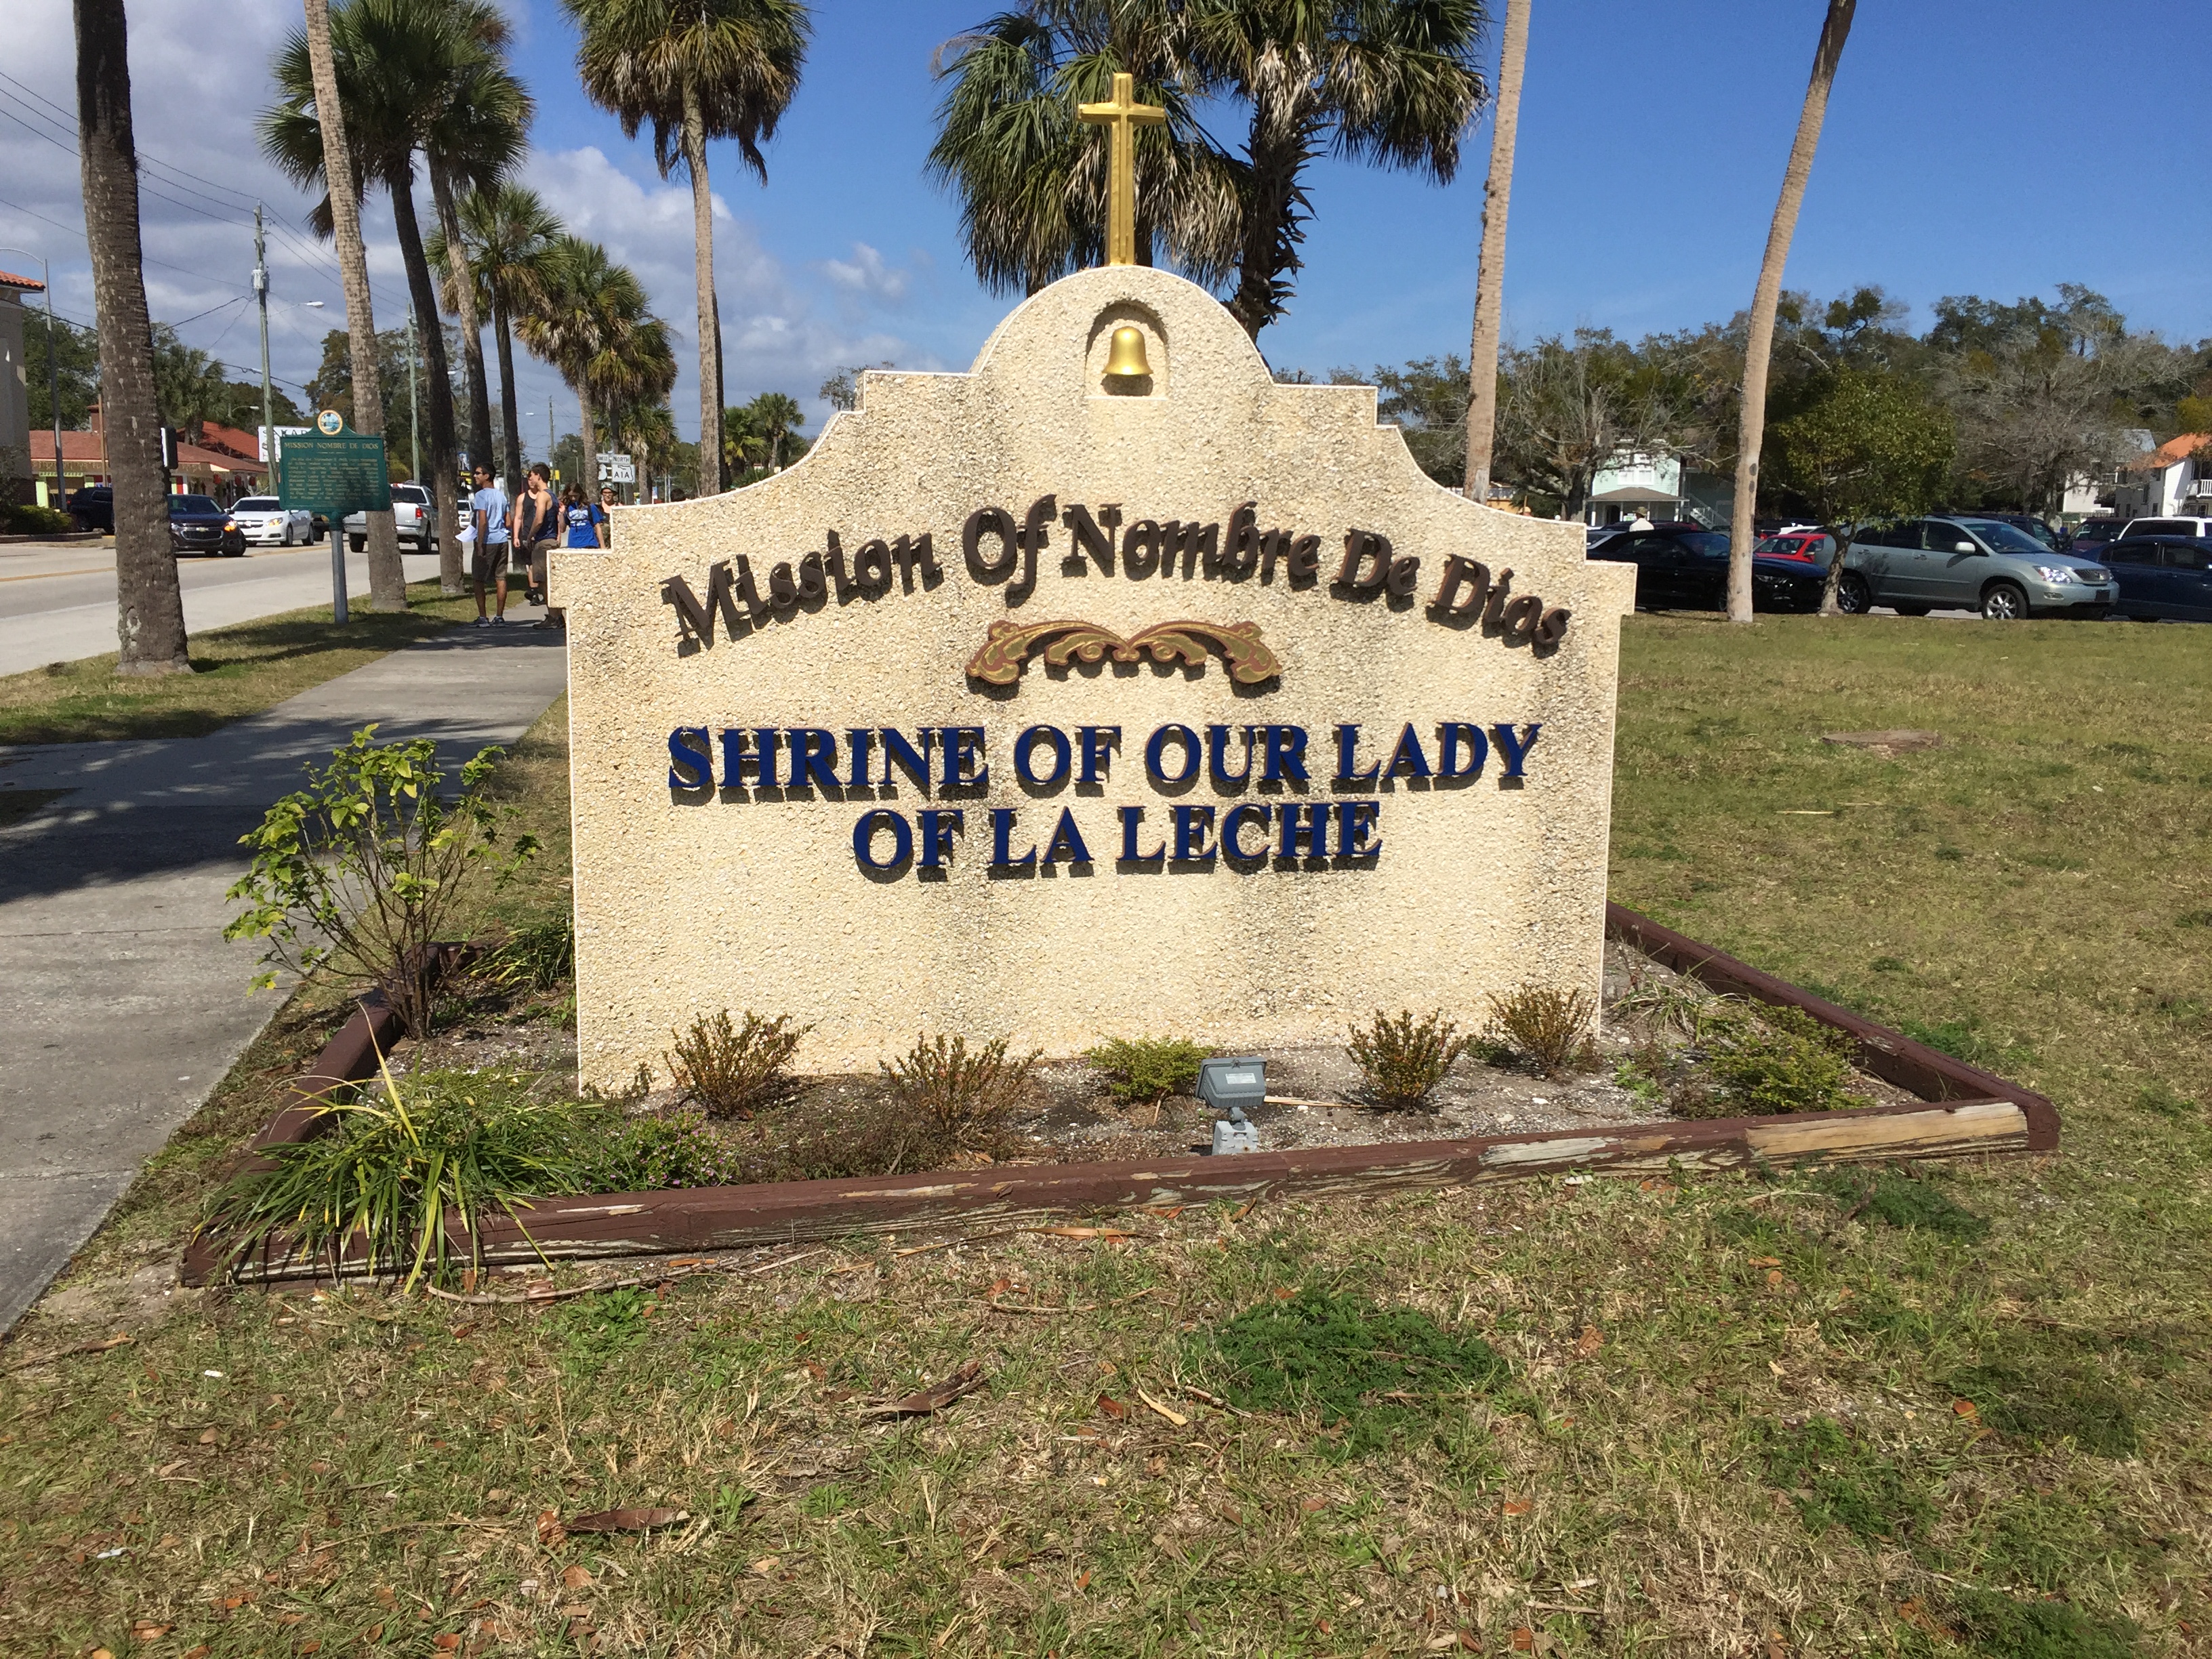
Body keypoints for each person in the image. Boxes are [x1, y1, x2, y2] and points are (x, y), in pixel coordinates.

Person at [468, 463, 512, 626]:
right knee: (500, 577)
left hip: (488, 541)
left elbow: (483, 521)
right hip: (502, 540)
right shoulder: (501, 496)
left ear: (487, 476)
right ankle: (499, 616)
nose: (475, 476)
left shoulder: (481, 496)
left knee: (478, 579)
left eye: (478, 473)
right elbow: (508, 521)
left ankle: (483, 617)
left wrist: (480, 544)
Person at [512, 463, 558, 610]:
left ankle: (554, 616)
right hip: (550, 540)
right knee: (545, 579)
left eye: (532, 475)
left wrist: (530, 535)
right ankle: (553, 615)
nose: (530, 478)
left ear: (538, 476)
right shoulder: (552, 495)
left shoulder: (543, 495)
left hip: (543, 541)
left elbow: (538, 520)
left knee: (543, 581)